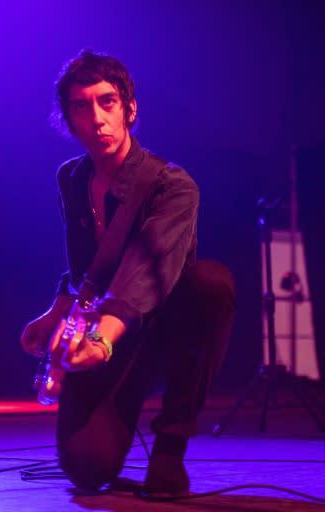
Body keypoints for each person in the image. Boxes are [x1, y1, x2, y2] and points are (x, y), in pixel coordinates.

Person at [20, 50, 235, 498]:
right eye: (81, 106)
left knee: (212, 283)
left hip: (162, 329)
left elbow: (145, 260)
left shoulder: (172, 185)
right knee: (86, 468)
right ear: (68, 119)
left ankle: (170, 446)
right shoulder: (71, 180)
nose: (96, 117)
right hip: (110, 332)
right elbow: (85, 268)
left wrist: (102, 338)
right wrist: (56, 310)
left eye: (107, 102)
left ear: (129, 109)